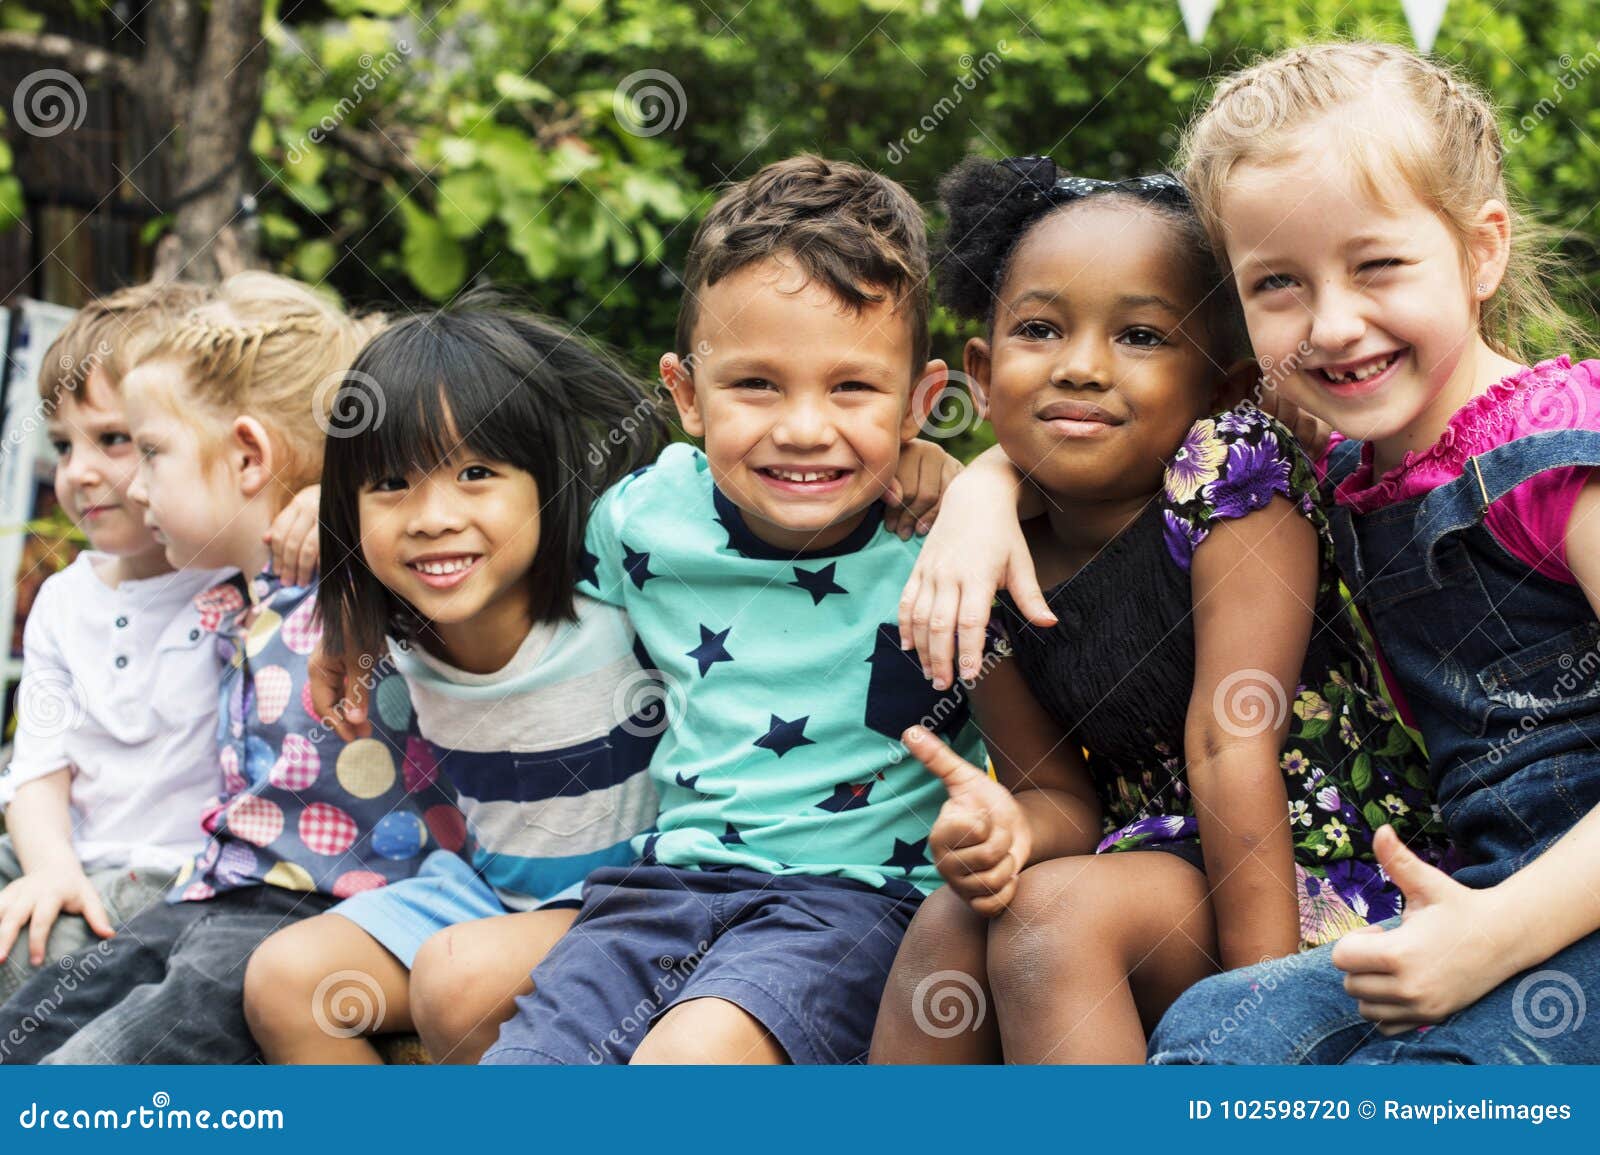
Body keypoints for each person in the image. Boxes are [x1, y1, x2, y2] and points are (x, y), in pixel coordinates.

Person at [869, 155, 1441, 1065]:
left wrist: (1267, 1020)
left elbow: (1230, 740)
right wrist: (1011, 828)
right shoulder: (982, 560)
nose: (1083, 367)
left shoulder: (1229, 475)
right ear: (982, 372)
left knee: (1052, 919)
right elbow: (1056, 792)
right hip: (1152, 870)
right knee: (954, 919)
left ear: (1220, 383)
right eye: (1040, 329)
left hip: (1313, 876)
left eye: (1140, 335)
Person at [0, 273, 448, 1064]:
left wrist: (334, 500)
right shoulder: (232, 589)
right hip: (218, 887)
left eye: (142, 449)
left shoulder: (359, 566)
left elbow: (446, 498)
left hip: (312, 902)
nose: (130, 485)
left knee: (89, 1066)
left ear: (246, 454)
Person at [0, 282, 320, 1003]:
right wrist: (50, 868)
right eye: (62, 445)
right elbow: (38, 768)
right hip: (70, 850)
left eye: (117, 440)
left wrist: (321, 502)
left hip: (177, 874)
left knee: (33, 953)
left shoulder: (246, 568)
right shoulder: (63, 599)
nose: (79, 472)